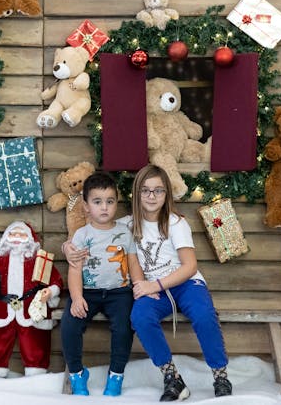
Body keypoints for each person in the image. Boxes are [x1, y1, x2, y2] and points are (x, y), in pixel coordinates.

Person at [64, 165, 232, 401]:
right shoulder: (126, 224)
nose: (151, 196)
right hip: (151, 289)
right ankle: (172, 378)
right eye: (145, 191)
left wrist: (155, 285)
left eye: (158, 191)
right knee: (140, 317)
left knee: (204, 315)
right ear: (137, 193)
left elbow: (189, 266)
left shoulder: (175, 223)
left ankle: (220, 375)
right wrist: (67, 247)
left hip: (184, 284)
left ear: (167, 195)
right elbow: (97, 231)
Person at [60, 172, 143, 396]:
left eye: (110, 201)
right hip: (88, 292)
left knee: (124, 327)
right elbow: (75, 269)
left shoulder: (125, 232)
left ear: (116, 202)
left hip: (119, 293)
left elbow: (133, 262)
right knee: (69, 325)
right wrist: (77, 298)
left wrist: (140, 287)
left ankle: (116, 375)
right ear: (86, 206)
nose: (104, 207)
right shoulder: (81, 234)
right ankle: (77, 374)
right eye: (97, 202)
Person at [0, 221, 63, 378]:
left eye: (22, 234)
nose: (17, 238)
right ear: (6, 237)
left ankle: (36, 374)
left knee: (35, 342)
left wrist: (51, 291)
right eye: (13, 234)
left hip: (30, 309)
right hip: (0, 309)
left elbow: (55, 280)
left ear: (30, 239)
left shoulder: (38, 260)